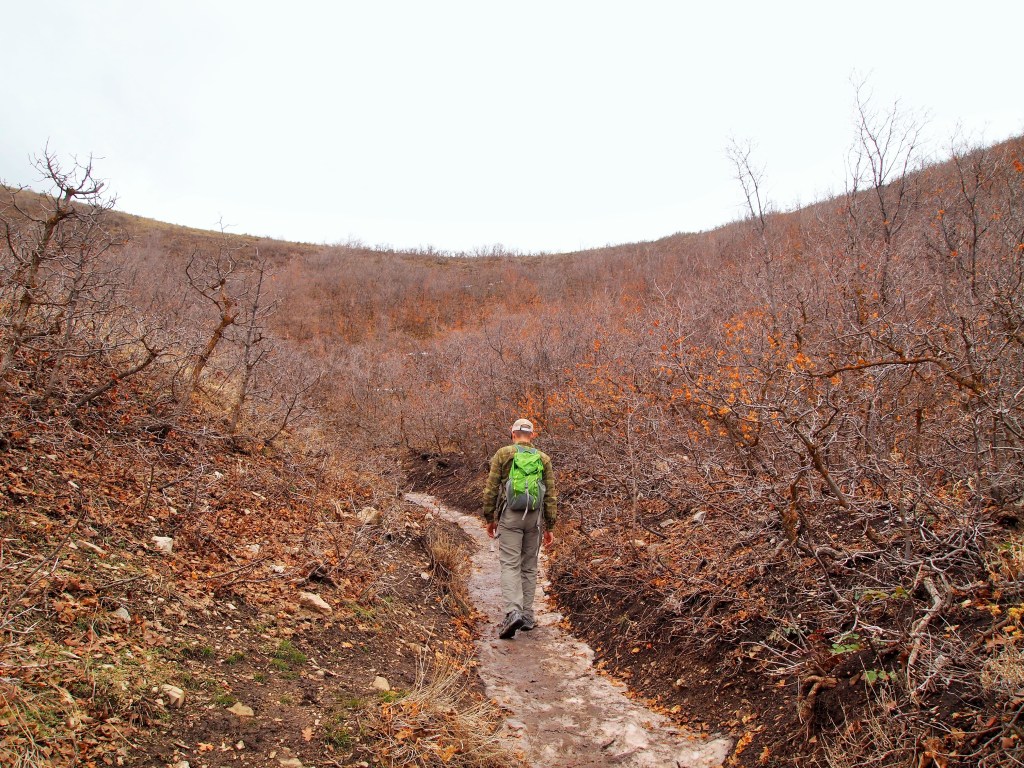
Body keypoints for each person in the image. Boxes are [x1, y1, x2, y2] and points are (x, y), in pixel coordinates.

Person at [481, 418, 557, 639]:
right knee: (529, 566)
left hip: (510, 516)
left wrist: (489, 518)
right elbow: (551, 495)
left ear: (512, 433)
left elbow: (491, 489)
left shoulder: (503, 454)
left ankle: (513, 612)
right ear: (532, 435)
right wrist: (550, 525)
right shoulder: (543, 458)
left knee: (510, 564)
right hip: (534, 518)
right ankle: (528, 616)